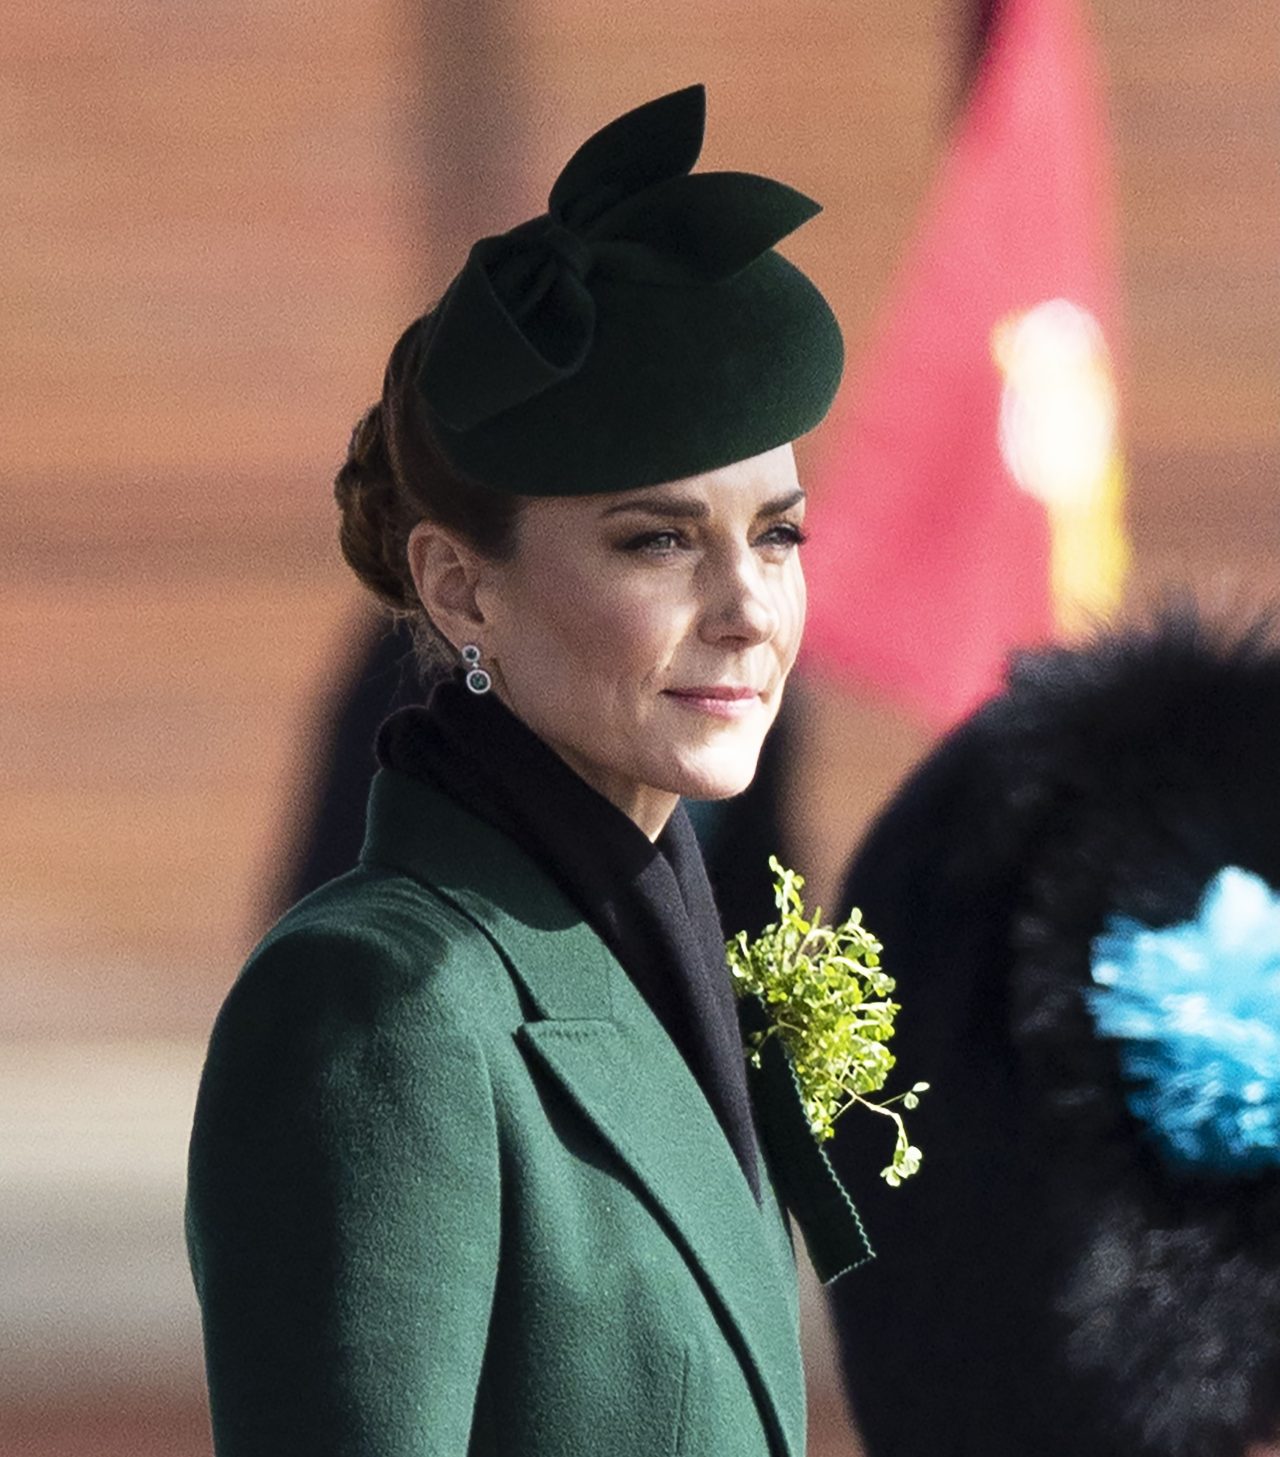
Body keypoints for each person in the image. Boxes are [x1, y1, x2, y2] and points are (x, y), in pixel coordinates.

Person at [185, 84, 870, 1457]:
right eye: (658, 541)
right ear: (460, 588)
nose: (750, 609)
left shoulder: (649, 950)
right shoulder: (383, 1005)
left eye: (778, 535)